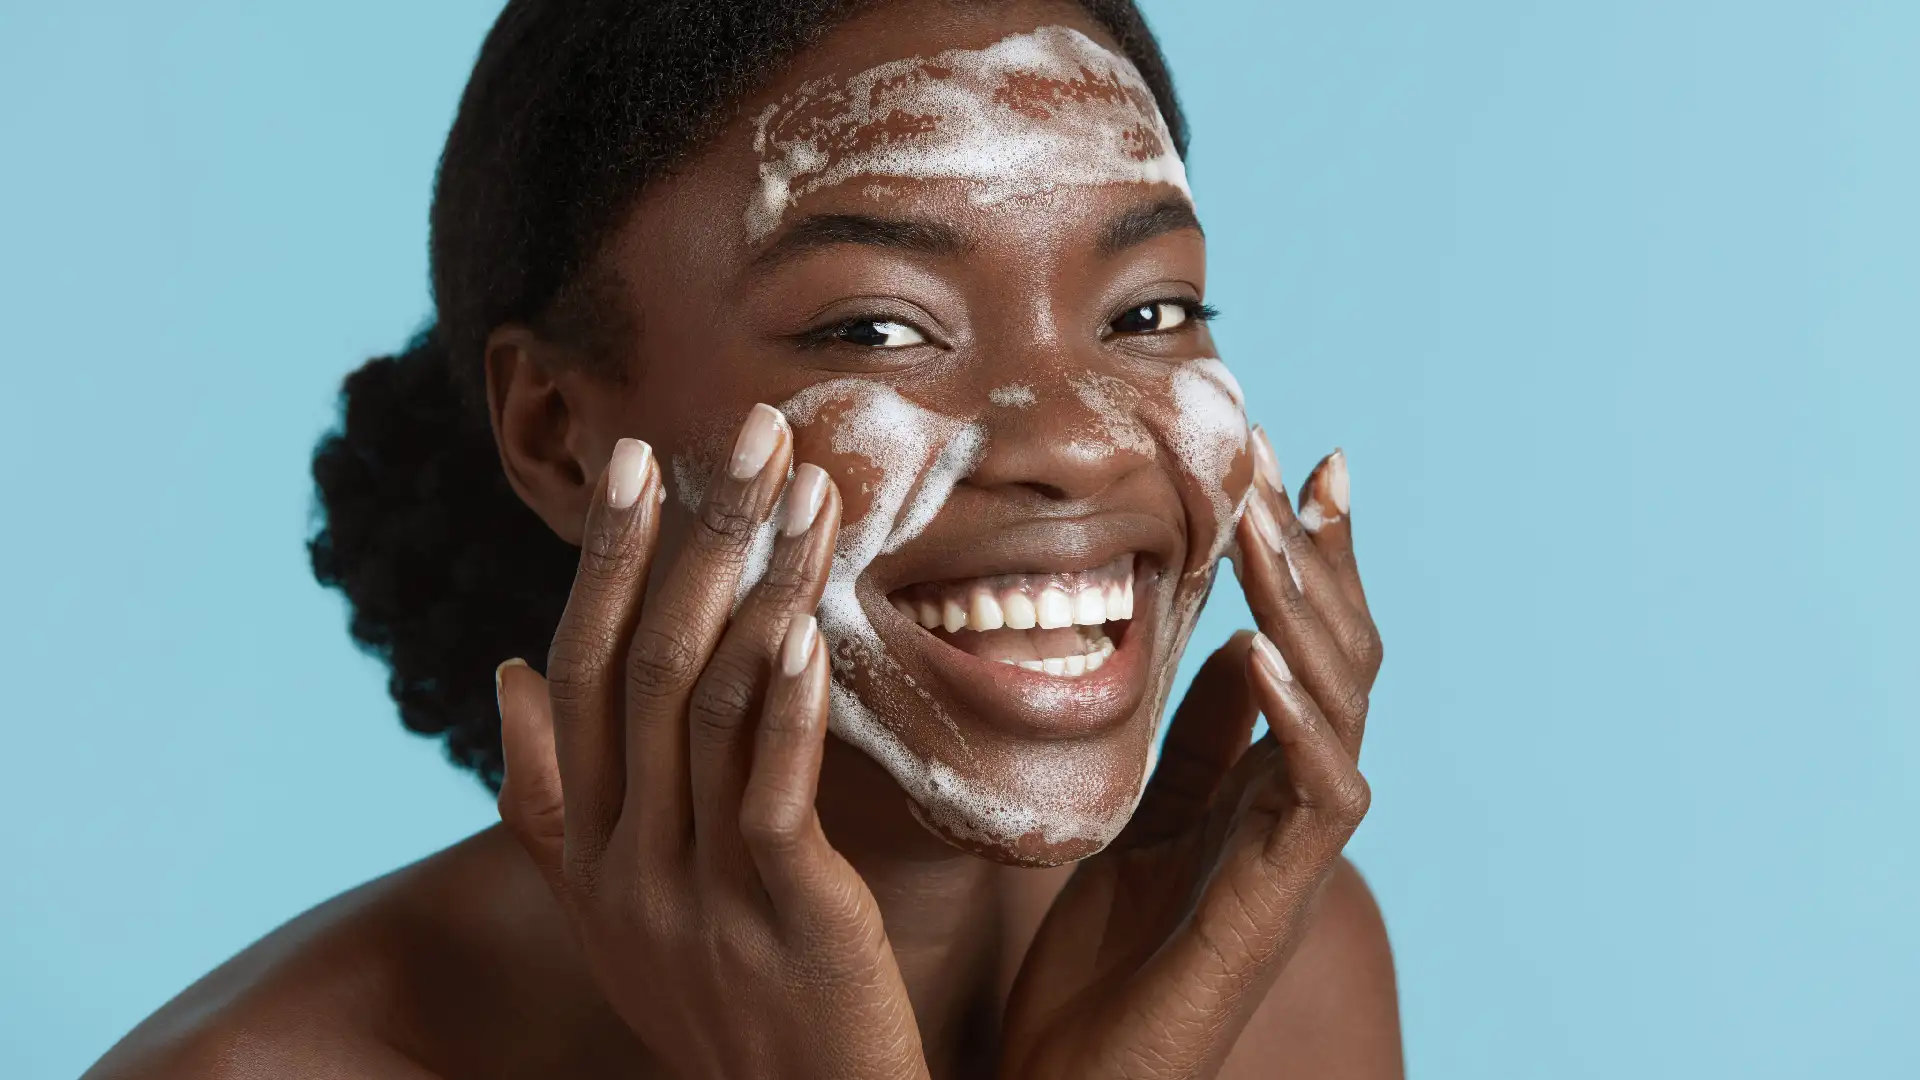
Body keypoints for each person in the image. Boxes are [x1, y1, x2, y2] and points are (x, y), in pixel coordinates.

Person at [88, 0, 1399, 1075]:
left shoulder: (1270, 973)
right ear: (557, 435)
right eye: (876, 328)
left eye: (1153, 311)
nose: (1077, 442)